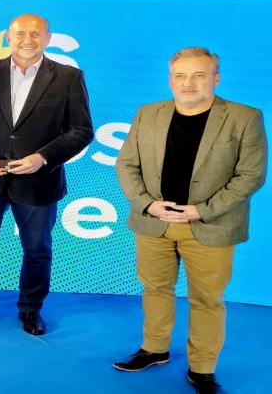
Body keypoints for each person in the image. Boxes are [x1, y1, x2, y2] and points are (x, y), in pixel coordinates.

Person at [114, 47, 267, 394]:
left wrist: (203, 210)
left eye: (199, 75)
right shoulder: (148, 113)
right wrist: (148, 205)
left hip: (211, 225)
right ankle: (154, 349)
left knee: (207, 299)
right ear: (170, 80)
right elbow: (126, 164)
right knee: (155, 289)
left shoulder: (245, 117)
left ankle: (202, 369)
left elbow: (251, 175)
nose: (188, 83)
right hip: (154, 223)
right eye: (180, 76)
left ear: (216, 78)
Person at [0, 14, 93, 335]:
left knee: (37, 250)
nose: (28, 39)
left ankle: (30, 309)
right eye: (21, 33)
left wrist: (42, 158)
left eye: (36, 34)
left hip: (39, 181)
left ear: (48, 38)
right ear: (8, 37)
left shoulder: (68, 77)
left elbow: (82, 130)